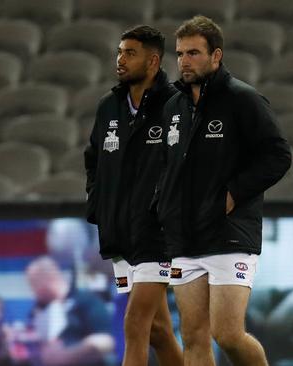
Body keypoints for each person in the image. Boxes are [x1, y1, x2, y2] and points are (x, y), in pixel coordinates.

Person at [154, 15, 292, 366]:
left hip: (229, 234)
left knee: (227, 335)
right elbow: (166, 168)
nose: (185, 61)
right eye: (181, 53)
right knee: (194, 337)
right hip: (184, 238)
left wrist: (232, 196)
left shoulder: (242, 99)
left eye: (194, 53)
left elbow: (278, 156)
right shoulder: (173, 106)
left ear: (216, 56)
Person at [84, 25, 182, 365]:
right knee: (158, 331)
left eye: (130, 53)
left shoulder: (176, 104)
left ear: (153, 61)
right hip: (120, 232)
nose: (120, 60)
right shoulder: (108, 107)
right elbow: (93, 160)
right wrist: (99, 204)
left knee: (134, 321)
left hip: (158, 233)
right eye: (119, 52)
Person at [22, 256, 115, 366]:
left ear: (47, 279)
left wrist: (66, 356)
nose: (34, 293)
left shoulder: (85, 301)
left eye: (34, 285)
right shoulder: (39, 311)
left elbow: (107, 341)